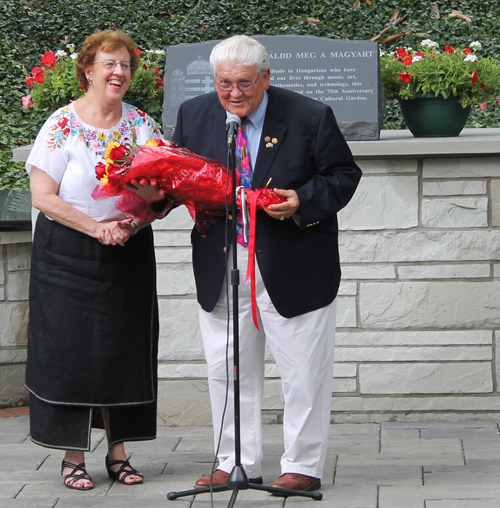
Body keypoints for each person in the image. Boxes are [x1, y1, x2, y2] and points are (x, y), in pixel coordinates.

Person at [169, 35, 362, 492]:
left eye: (245, 84)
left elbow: (343, 175)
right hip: (223, 261)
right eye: (224, 84)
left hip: (292, 262)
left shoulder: (309, 115)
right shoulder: (194, 114)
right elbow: (180, 175)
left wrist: (302, 200)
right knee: (227, 367)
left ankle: (302, 464)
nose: (234, 94)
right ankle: (235, 460)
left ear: (266, 78)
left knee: (302, 370)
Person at [25, 30, 168, 490]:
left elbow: (162, 194)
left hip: (126, 251)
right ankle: (72, 456)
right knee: (72, 355)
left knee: (124, 352)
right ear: (87, 70)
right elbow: (42, 196)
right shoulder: (62, 124)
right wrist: (96, 228)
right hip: (67, 254)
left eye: (125, 64)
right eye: (109, 63)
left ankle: (118, 454)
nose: (118, 72)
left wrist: (132, 222)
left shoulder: (141, 125)